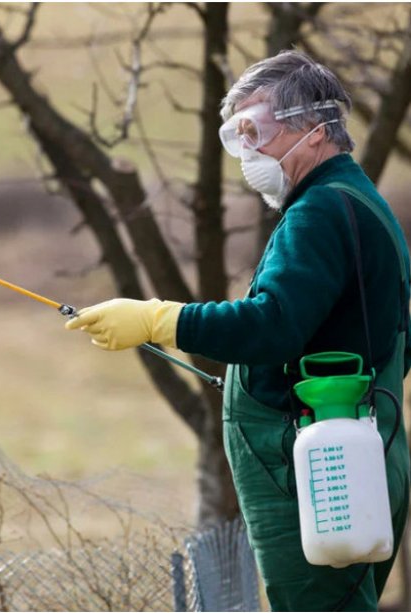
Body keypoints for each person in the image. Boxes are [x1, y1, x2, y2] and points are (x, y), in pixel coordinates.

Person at [65, 50, 411, 611]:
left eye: (260, 131)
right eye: (238, 134)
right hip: (363, 456)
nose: (249, 151)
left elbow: (271, 326)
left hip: (317, 472)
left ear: (317, 130)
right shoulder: (360, 202)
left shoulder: (319, 212)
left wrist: (159, 319)